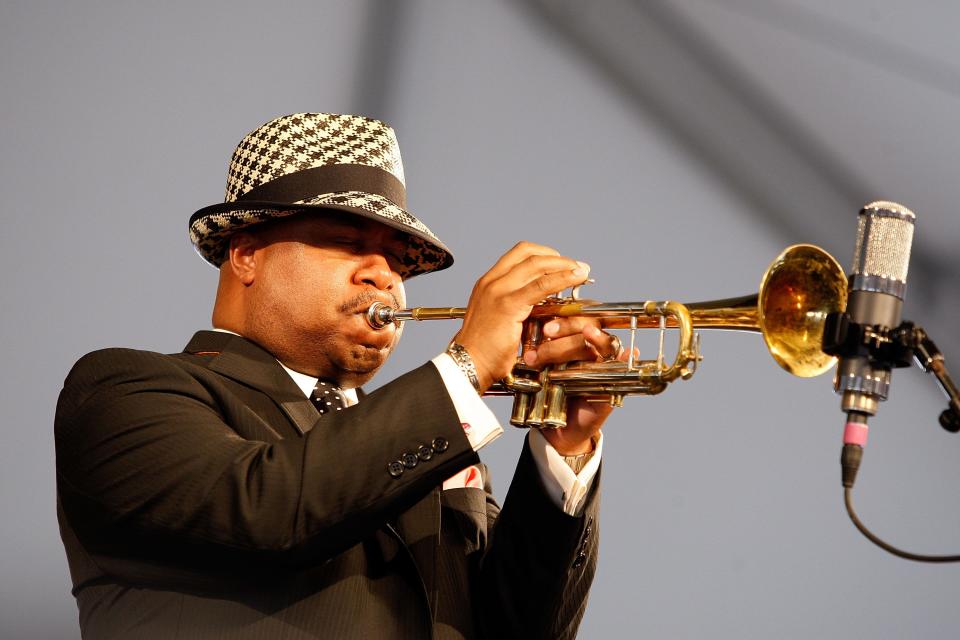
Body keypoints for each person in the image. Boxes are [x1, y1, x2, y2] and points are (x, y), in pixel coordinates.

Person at [55, 113, 620, 639]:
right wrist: (465, 367)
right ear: (247, 253)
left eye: (399, 261)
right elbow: (268, 511)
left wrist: (564, 446)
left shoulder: (437, 442)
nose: (384, 274)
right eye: (349, 243)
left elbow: (515, 630)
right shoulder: (122, 390)